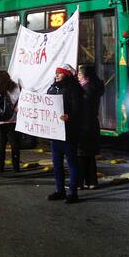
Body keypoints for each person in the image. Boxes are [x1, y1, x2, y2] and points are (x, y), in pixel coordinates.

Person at [46, 64, 84, 203]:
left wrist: (70, 117)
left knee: (72, 163)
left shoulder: (74, 90)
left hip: (69, 133)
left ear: (66, 75)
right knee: (57, 164)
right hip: (55, 133)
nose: (56, 75)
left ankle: (73, 193)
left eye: (59, 73)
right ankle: (60, 190)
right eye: (56, 73)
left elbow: (79, 110)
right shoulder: (52, 88)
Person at [77, 65, 104, 190]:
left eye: (79, 75)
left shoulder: (86, 89)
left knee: (81, 154)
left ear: (85, 76)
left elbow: (82, 107)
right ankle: (91, 181)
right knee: (89, 155)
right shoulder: (94, 87)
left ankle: (79, 182)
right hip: (92, 124)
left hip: (84, 125)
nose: (77, 77)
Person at [0, 70, 21, 173]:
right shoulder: (16, 87)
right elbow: (19, 101)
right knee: (14, 144)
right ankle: (16, 167)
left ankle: (0, 167)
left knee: (1, 144)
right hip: (13, 120)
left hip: (0, 122)